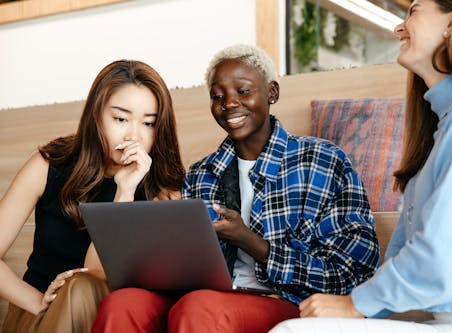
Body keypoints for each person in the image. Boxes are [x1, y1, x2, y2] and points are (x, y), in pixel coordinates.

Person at [91, 44, 380, 333]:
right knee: (123, 304)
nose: (229, 103)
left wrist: (254, 244)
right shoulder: (202, 174)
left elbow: (353, 273)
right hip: (207, 296)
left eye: (243, 91)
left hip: (286, 300)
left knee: (200, 307)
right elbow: (187, 269)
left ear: (272, 92)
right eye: (218, 96)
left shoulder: (323, 161)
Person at [270, 1, 452, 332]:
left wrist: (353, 306)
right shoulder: (446, 122)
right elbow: (406, 254)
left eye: (415, 10)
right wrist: (354, 307)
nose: (398, 28)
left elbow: (442, 260)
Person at [0, 59, 185, 332]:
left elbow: (97, 271)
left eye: (148, 123)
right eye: (121, 119)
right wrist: (36, 300)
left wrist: (125, 192)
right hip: (38, 318)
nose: (134, 135)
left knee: (85, 288)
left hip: (107, 319)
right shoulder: (50, 164)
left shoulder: (164, 190)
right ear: (96, 115)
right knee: (81, 289)